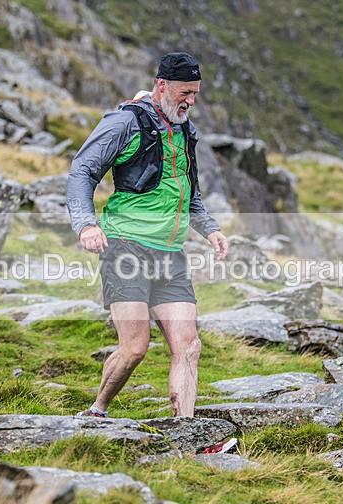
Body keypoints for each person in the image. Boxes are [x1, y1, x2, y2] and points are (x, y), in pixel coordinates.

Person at [66, 52, 229, 421]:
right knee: (135, 348)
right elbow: (82, 171)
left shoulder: (185, 130)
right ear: (162, 85)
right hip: (126, 248)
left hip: (170, 254)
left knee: (189, 347)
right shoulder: (125, 122)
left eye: (196, 93)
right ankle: (97, 409)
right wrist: (86, 224)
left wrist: (210, 229)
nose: (190, 100)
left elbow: (189, 192)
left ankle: (184, 431)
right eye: (185, 92)